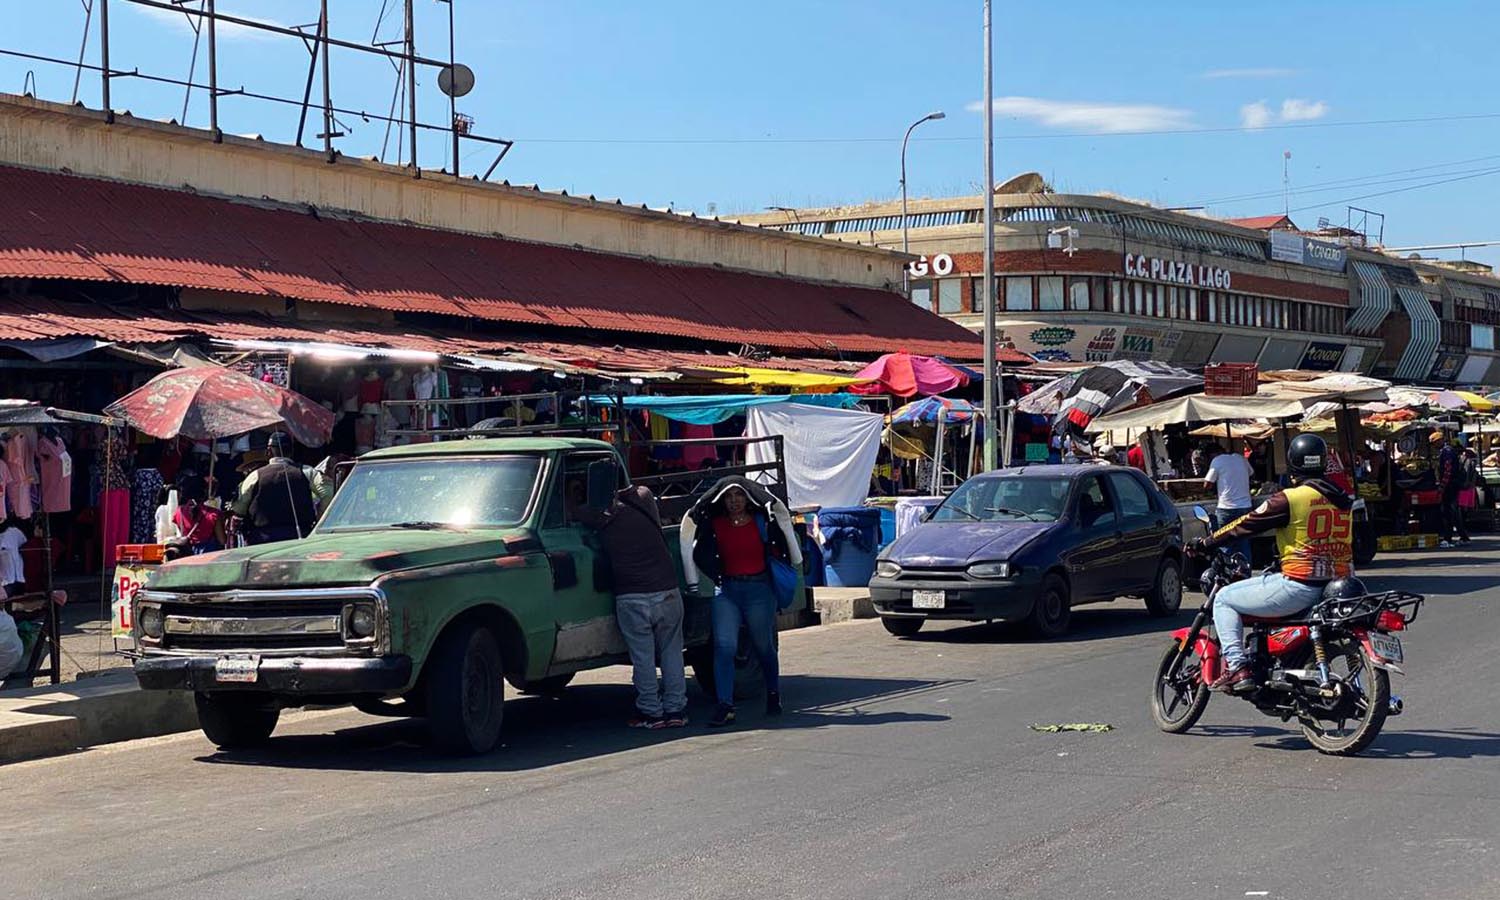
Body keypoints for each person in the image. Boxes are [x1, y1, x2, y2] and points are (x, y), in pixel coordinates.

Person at [1192, 434, 1353, 693]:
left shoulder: (1290, 498)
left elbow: (1244, 524)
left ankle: (1237, 667)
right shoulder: (1343, 498)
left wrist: (1206, 542)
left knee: (1223, 599)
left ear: (1293, 465)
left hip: (1300, 585)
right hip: (1337, 586)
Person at [681, 478, 802, 728]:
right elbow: (694, 546)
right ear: (722, 500)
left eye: (739, 495)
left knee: (763, 646)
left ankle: (772, 693)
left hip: (759, 591)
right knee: (724, 647)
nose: (734, 500)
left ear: (748, 498)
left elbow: (784, 533)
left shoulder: (761, 523)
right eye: (729, 496)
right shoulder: (715, 524)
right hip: (727, 591)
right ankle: (725, 705)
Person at [569, 480, 687, 730]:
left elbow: (572, 509)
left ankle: (652, 713)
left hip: (632, 596)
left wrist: (577, 492)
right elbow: (637, 491)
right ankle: (675, 710)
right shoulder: (644, 497)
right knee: (671, 652)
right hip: (667, 591)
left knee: (643, 657)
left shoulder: (599, 516)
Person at [229, 433, 330, 545]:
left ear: (268, 451)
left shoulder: (255, 475)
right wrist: (320, 519)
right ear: (291, 451)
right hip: (300, 537)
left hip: (262, 541)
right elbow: (329, 495)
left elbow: (239, 508)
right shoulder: (308, 472)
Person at [1204, 441, 1255, 564]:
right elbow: (1251, 474)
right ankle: (1246, 569)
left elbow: (1207, 484)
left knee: (1225, 542)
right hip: (1245, 506)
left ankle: (1228, 570)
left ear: (1212, 454)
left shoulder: (1217, 461)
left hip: (1226, 508)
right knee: (1243, 542)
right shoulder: (1241, 458)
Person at [1433, 431, 1469, 548]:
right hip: (1451, 484)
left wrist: (1442, 486)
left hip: (1451, 485)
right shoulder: (1447, 451)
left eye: (1434, 443)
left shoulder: (1447, 451)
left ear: (1440, 440)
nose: (1434, 446)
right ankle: (1462, 537)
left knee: (1449, 512)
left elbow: (1448, 470)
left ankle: (1448, 538)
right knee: (1452, 512)